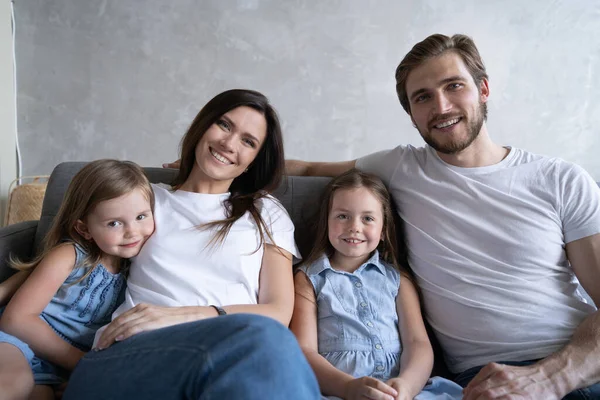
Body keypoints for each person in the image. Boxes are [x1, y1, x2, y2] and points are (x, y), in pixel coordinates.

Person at [285, 34, 600, 400]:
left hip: (580, 367)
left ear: (483, 89)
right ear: (411, 114)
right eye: (423, 97)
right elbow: (306, 167)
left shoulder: (562, 180)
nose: (442, 105)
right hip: (484, 381)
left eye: (454, 86)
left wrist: (551, 379)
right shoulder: (401, 168)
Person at [62, 89, 320, 399]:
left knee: (268, 341)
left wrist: (183, 314)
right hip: (134, 351)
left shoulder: (266, 212)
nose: (228, 143)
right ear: (203, 126)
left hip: (234, 351)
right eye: (224, 125)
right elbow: (74, 253)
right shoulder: (146, 200)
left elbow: (277, 311)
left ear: (253, 160)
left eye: (248, 141)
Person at [290, 169, 463, 400]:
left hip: (401, 392)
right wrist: (348, 388)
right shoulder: (308, 278)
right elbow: (304, 351)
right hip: (337, 391)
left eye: (368, 218)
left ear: (383, 230)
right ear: (327, 221)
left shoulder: (397, 279)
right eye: (342, 216)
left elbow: (417, 343)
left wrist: (407, 387)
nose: (354, 227)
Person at [0, 159, 155, 400]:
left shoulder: (138, 271)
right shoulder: (69, 256)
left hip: (50, 368)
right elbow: (16, 320)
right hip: (14, 343)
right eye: (114, 223)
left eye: (142, 217)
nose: (132, 231)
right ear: (84, 229)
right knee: (14, 384)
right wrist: (80, 362)